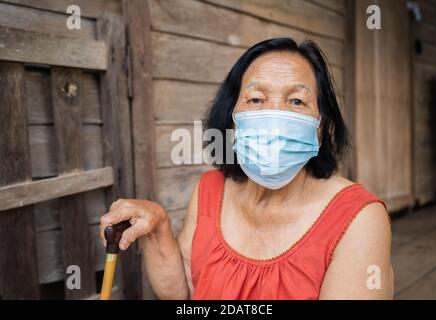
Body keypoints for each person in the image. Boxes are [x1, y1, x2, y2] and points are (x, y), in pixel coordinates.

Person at [100, 38, 394, 300]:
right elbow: (185, 293)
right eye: (256, 99)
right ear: (232, 121)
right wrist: (159, 225)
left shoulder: (359, 219)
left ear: (320, 128)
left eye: (296, 101)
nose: (275, 115)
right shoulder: (210, 189)